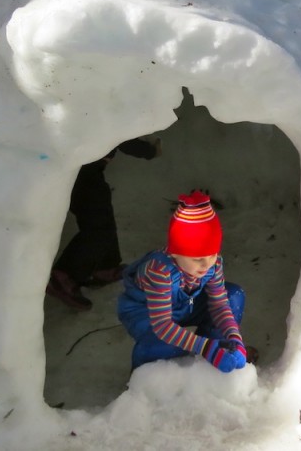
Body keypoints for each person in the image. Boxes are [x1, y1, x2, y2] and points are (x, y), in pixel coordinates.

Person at [117, 191, 259, 371]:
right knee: (161, 342)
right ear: (175, 252)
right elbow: (162, 325)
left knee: (233, 296)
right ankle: (144, 379)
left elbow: (219, 303)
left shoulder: (212, 263)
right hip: (147, 312)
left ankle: (217, 350)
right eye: (197, 258)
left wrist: (234, 337)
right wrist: (205, 347)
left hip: (185, 305)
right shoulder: (159, 270)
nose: (206, 264)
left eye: (212, 254)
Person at [46, 137, 161, 310]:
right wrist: (150, 151)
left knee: (103, 216)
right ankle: (63, 276)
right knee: (97, 226)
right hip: (77, 173)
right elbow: (121, 135)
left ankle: (104, 266)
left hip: (89, 171)